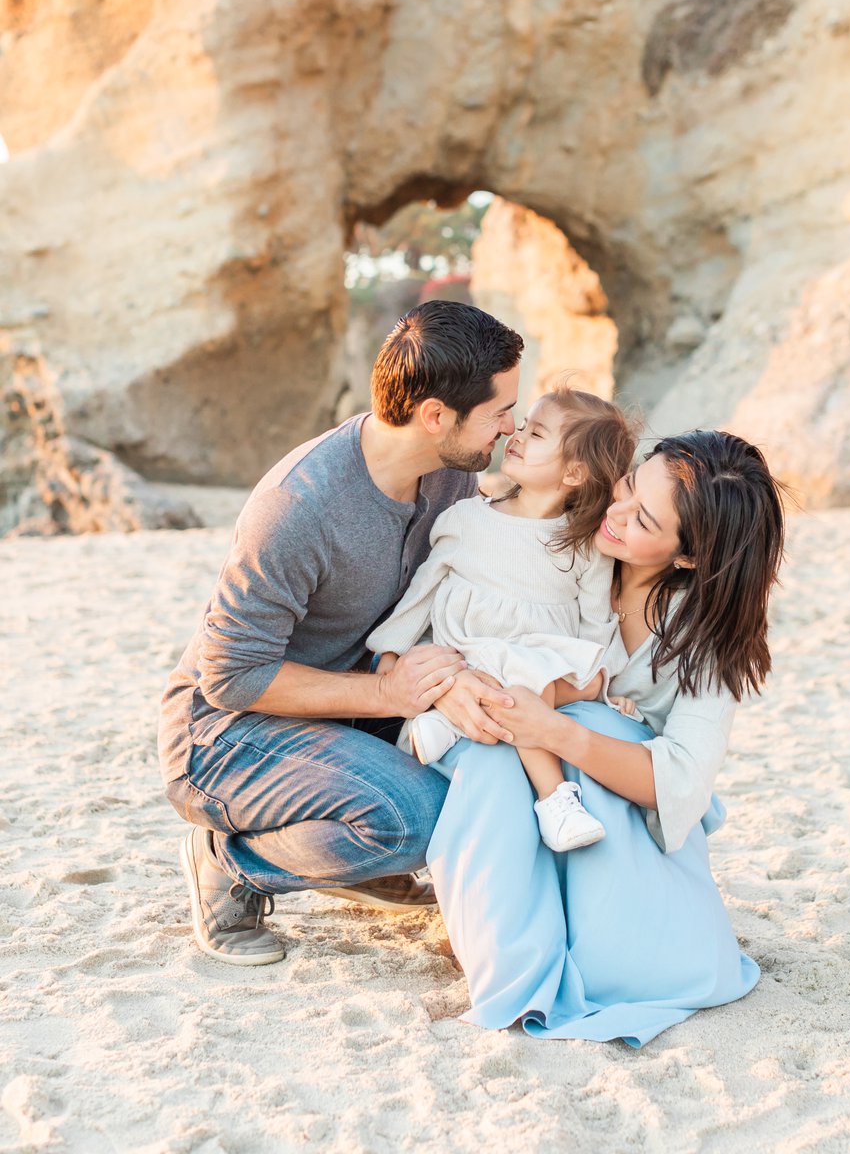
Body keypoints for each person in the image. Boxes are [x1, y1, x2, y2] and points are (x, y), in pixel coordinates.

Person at [157, 300, 524, 966]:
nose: (511, 426)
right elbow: (232, 677)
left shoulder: (449, 473)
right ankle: (232, 860)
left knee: (498, 748)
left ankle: (351, 852)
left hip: (349, 704)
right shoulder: (299, 509)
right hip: (223, 734)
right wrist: (391, 693)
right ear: (436, 416)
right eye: (501, 411)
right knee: (416, 818)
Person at [424, 429, 786, 1046]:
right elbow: (456, 619)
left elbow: (680, 781)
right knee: (492, 752)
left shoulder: (703, 641)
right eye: (628, 487)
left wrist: (559, 729)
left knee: (593, 724)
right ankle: (510, 949)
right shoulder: (550, 545)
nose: (615, 515)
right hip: (495, 756)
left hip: (616, 811)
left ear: (687, 556)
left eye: (643, 519)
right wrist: (450, 684)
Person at [368, 389, 637, 851]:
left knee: (527, 680)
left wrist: (608, 685)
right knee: (509, 678)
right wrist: (390, 654)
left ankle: (521, 778)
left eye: (536, 433)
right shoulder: (467, 518)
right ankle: (554, 798)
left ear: (573, 472)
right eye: (523, 423)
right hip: (469, 649)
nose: (515, 434)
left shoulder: (582, 545)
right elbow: (424, 589)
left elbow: (598, 621)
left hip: (538, 664)